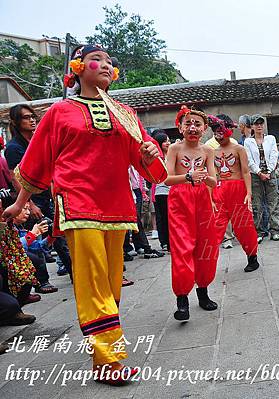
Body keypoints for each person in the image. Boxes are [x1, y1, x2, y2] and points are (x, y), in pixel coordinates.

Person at [2, 44, 167, 384]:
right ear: (78, 68)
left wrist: (149, 152)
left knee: (109, 285)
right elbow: (36, 163)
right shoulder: (60, 112)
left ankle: (100, 357)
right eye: (97, 60)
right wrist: (19, 203)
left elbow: (149, 170)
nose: (106, 65)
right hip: (78, 202)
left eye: (110, 62)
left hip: (118, 206)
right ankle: (109, 360)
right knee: (93, 283)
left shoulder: (125, 113)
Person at [5, 104, 73, 279]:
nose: (32, 120)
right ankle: (42, 280)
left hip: (46, 196)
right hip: (31, 199)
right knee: (36, 238)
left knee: (58, 236)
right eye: (26, 117)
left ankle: (75, 273)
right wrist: (28, 204)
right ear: (16, 122)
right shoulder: (13, 147)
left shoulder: (38, 140)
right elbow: (15, 177)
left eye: (32, 116)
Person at [165, 106, 220, 320]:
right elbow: (167, 178)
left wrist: (203, 176)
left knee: (206, 246)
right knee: (182, 248)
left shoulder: (208, 151)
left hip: (202, 201)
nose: (193, 128)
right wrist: (189, 176)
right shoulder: (174, 150)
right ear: (180, 127)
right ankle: (182, 300)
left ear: (205, 128)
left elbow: (214, 182)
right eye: (188, 123)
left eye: (197, 124)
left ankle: (203, 293)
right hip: (180, 201)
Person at [209, 115, 261, 273]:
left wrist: (249, 193)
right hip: (220, 189)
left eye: (220, 130)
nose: (218, 134)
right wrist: (211, 196)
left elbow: (246, 172)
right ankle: (207, 261)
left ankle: (252, 258)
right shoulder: (212, 152)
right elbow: (213, 175)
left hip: (238, 189)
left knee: (243, 226)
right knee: (215, 226)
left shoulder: (239, 149)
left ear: (229, 130)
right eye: (215, 131)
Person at [244, 114, 279, 242]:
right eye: (256, 124)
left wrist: (269, 171)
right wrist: (259, 172)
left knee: (273, 203)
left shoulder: (271, 138)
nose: (259, 126)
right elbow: (248, 160)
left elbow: (274, 155)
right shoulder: (248, 141)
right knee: (256, 205)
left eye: (261, 123)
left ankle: (275, 230)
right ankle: (259, 232)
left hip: (270, 173)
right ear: (252, 126)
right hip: (255, 176)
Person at [206, 114, 239, 249]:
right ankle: (227, 238)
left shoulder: (234, 143)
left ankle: (238, 234)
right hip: (218, 182)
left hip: (234, 182)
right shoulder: (209, 145)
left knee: (236, 209)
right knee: (221, 211)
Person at [13, 204, 58, 294]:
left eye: (29, 209)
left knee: (37, 253)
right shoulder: (6, 226)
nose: (28, 212)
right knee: (31, 257)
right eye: (24, 209)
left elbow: (37, 247)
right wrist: (32, 234)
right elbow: (15, 248)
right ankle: (27, 290)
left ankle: (41, 284)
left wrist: (53, 235)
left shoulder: (20, 227)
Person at [152, 131, 171, 251]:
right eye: (165, 141)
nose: (168, 143)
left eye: (168, 140)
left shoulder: (173, 153)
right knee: (164, 218)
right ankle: (166, 243)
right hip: (161, 191)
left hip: (172, 190)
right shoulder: (157, 158)